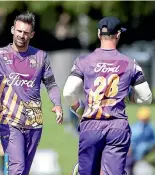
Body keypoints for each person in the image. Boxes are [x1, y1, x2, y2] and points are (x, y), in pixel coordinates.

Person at [63, 16, 153, 175]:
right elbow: (147, 97)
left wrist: (80, 110)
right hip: (117, 127)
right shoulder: (130, 63)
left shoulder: (83, 61)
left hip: (91, 125)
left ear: (99, 34)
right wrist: (129, 97)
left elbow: (68, 93)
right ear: (118, 35)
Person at [0, 12, 63, 175]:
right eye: (19, 31)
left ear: (31, 34)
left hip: (34, 123)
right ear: (12, 30)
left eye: (26, 33)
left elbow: (51, 84)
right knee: (16, 168)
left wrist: (57, 105)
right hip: (10, 123)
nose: (21, 36)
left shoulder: (41, 57)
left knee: (23, 170)